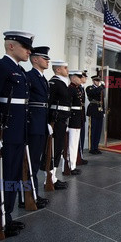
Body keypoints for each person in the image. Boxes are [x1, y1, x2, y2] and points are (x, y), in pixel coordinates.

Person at [0, 30, 34, 236]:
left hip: (18, 133)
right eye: (25, 47)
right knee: (2, 177)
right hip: (4, 133)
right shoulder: (1, 67)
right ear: (11, 46)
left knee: (13, 176)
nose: (29, 51)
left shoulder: (20, 71)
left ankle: (7, 216)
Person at [25, 46, 52, 208]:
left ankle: (33, 193)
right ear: (35, 59)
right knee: (30, 163)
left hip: (41, 123)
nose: (47, 61)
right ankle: (28, 196)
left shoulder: (42, 78)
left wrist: (47, 123)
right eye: (44, 58)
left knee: (36, 161)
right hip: (33, 124)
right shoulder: (29, 76)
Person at [46, 60, 70, 188]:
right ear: (58, 70)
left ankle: (53, 178)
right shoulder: (54, 82)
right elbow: (48, 102)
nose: (68, 70)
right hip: (55, 120)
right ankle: (48, 179)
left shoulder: (62, 83)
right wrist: (48, 122)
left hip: (61, 120)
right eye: (65, 68)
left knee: (58, 148)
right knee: (53, 148)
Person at [67, 71, 85, 175]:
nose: (80, 79)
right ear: (73, 78)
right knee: (72, 143)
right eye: (78, 77)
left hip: (78, 117)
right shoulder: (71, 89)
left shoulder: (77, 89)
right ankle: (70, 166)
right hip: (73, 118)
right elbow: (68, 104)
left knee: (75, 142)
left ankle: (73, 165)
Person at [86, 74, 105, 154]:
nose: (98, 82)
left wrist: (103, 111)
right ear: (93, 81)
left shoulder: (100, 89)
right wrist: (101, 87)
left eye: (99, 80)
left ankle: (96, 147)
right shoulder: (89, 88)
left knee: (98, 130)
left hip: (99, 110)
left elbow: (102, 100)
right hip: (93, 109)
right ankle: (91, 148)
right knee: (93, 129)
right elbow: (93, 93)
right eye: (97, 80)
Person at [76, 70, 89, 165]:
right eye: (84, 77)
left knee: (81, 136)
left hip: (81, 113)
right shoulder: (78, 88)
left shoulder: (81, 88)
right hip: (78, 114)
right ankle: (78, 157)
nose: (85, 79)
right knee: (78, 137)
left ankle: (80, 156)